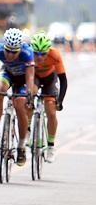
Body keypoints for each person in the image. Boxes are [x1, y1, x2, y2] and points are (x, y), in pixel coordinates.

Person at [0, 28, 35, 166]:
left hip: (23, 79)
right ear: (4, 46)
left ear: (20, 48)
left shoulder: (27, 52)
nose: (11, 55)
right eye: (8, 51)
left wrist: (29, 94)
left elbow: (30, 77)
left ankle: (21, 146)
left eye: (14, 52)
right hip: (7, 74)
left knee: (20, 104)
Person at [30, 32, 67, 163]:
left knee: (51, 110)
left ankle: (51, 146)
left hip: (50, 78)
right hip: (34, 76)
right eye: (36, 53)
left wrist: (60, 100)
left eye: (43, 54)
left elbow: (63, 80)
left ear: (48, 51)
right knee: (30, 95)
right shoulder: (28, 54)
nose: (39, 57)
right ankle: (29, 130)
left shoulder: (55, 54)